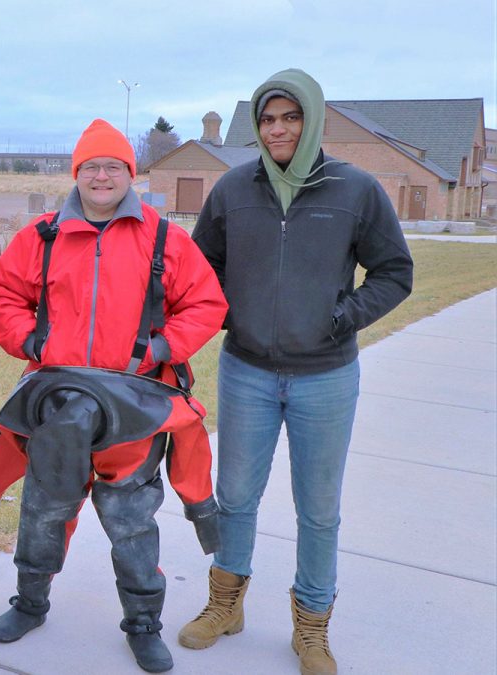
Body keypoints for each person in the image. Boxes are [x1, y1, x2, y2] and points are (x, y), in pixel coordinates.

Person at [183, 68, 413, 675]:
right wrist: (233, 314)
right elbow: (200, 270)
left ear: (311, 121)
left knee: (318, 508)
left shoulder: (355, 189)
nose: (277, 128)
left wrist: (342, 317)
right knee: (234, 498)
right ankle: (224, 605)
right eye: (266, 118)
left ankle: (312, 626)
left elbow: (394, 273)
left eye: (290, 117)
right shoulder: (232, 189)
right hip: (246, 372)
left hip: (326, 377)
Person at [0, 119, 228, 673]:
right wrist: (29, 339)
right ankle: (30, 603)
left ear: (130, 175)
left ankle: (143, 624)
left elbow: (207, 304)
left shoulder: (165, 238)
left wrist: (163, 346)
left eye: (112, 166)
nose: (101, 176)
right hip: (59, 404)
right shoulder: (41, 236)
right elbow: (0, 293)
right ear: (77, 173)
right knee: (43, 513)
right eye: (90, 166)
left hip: (134, 409)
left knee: (133, 524)